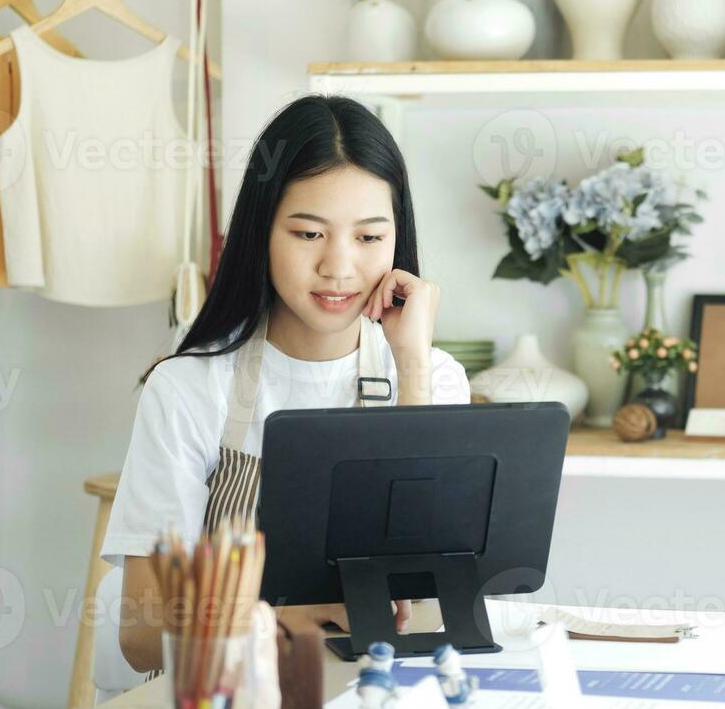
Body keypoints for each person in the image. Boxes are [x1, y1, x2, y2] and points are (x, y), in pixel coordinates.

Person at [101, 95, 469, 673]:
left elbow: (429, 597)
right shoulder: (187, 389)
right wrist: (292, 615)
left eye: (369, 238)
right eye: (308, 234)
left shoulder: (432, 376)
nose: (339, 267)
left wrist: (412, 368)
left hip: (380, 698)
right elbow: (143, 636)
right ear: (261, 233)